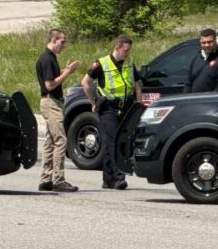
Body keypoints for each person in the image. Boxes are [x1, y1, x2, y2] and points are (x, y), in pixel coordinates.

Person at [81, 35, 142, 190]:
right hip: (108, 108)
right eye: (125, 50)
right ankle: (118, 177)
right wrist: (93, 102)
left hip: (126, 107)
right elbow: (85, 83)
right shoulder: (101, 64)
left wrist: (139, 105)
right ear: (117, 48)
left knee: (112, 142)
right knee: (115, 139)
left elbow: (136, 86)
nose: (127, 53)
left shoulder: (129, 63)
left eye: (129, 50)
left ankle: (108, 180)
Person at [35, 28, 81, 192]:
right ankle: (58, 180)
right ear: (54, 40)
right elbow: (49, 85)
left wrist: (64, 70)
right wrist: (66, 73)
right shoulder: (47, 58)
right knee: (61, 140)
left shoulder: (49, 57)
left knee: (50, 141)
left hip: (50, 102)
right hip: (51, 103)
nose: (64, 45)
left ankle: (46, 179)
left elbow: (51, 78)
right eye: (62, 41)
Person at [184, 28, 218, 93]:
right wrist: (187, 97)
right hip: (194, 98)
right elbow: (188, 83)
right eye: (203, 43)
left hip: (211, 99)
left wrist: (208, 98)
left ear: (215, 41)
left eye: (210, 42)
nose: (207, 45)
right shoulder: (196, 59)